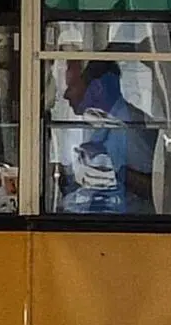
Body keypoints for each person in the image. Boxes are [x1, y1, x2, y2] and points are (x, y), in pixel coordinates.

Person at [57, 60, 156, 215]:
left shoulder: (130, 127)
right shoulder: (100, 121)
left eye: (72, 86)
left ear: (97, 89)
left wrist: (111, 170)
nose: (66, 95)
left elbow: (155, 188)